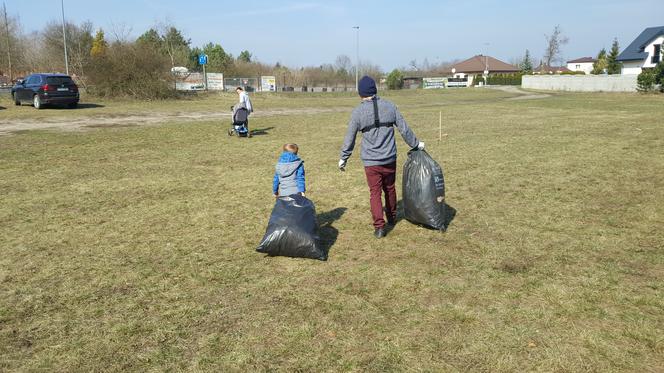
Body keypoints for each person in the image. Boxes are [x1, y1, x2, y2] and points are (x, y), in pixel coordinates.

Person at [339, 76, 424, 238]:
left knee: (375, 192)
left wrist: (344, 157)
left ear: (360, 94)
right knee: (390, 188)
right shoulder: (390, 106)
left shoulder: (358, 112)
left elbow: (349, 137)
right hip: (389, 158)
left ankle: (379, 227)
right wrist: (416, 144)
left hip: (371, 162)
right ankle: (392, 217)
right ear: (375, 91)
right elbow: (404, 129)